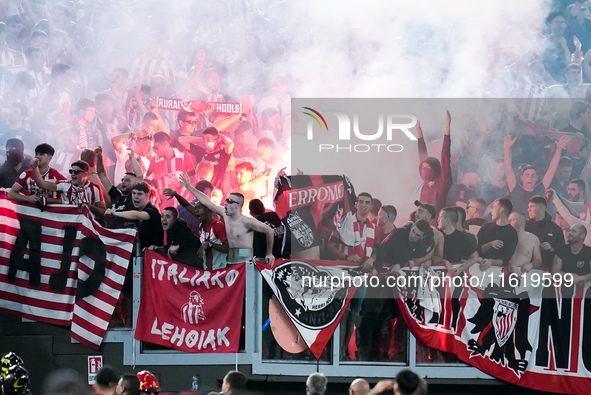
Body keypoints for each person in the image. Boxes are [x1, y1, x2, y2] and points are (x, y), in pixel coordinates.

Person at [181, 173, 275, 265]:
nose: (226, 204)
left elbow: (269, 231)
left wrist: (269, 253)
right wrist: (188, 186)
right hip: (229, 260)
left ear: (238, 206)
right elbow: (206, 201)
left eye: (230, 202)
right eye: (226, 201)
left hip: (245, 261)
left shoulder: (247, 221)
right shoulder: (224, 213)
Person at [504, 133, 568, 215]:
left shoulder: (540, 189)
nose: (530, 178)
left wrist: (559, 150)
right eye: (527, 175)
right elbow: (508, 169)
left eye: (533, 175)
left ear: (536, 178)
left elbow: (551, 170)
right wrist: (507, 148)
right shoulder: (516, 189)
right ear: (522, 178)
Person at [104, 182, 163, 250]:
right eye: (134, 193)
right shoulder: (138, 209)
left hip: (152, 255)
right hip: (141, 253)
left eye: (139, 194)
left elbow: (137, 215)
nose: (136, 197)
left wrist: (114, 213)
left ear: (148, 195)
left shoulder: (152, 210)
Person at [31, 158, 106, 212]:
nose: (72, 174)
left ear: (86, 174)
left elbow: (103, 212)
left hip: (88, 227)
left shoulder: (95, 188)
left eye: (76, 172)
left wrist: (89, 206)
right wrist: (35, 168)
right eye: (71, 171)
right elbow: (42, 184)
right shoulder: (65, 185)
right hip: (70, 225)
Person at [416, 111, 452, 213]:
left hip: (435, 225)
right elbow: (422, 153)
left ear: (435, 169)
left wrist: (447, 129)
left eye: (428, 168)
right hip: (422, 223)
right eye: (423, 168)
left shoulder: (442, 182)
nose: (424, 170)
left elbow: (445, 156)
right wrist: (419, 131)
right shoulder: (425, 183)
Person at [477, 198, 518, 271]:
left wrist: (491, 261)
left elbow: (506, 260)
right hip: (477, 269)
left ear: (501, 209)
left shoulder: (512, 233)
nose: (491, 210)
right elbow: (476, 249)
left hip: (496, 274)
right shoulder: (486, 227)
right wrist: (490, 244)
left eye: (493, 207)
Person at [525, 195, 565, 270]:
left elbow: (562, 253)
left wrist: (551, 249)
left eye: (531, 207)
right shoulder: (524, 226)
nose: (528, 210)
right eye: (528, 207)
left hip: (547, 272)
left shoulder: (556, 229)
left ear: (540, 208)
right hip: (525, 270)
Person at [438, 208, 479, 275]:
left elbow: (474, 257)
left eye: (440, 218)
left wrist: (461, 269)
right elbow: (432, 255)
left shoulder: (462, 238)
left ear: (447, 220)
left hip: (454, 276)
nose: (438, 220)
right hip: (435, 275)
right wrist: (446, 262)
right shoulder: (436, 235)